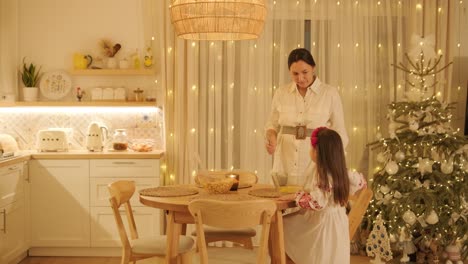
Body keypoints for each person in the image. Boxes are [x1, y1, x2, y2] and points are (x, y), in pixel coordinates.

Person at [280, 127, 366, 264]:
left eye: (312, 149)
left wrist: (296, 197)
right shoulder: (341, 171)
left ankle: (283, 259)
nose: (310, 152)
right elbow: (360, 182)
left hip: (322, 223)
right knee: (330, 256)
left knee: (282, 225)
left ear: (318, 152)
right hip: (338, 222)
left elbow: (318, 202)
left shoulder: (323, 175)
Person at [265, 48, 348, 185]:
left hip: (315, 163)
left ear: (313, 68)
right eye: (295, 73)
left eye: (305, 72)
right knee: (284, 202)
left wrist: (331, 164)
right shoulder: (281, 93)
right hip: (285, 161)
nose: (300, 78)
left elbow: (340, 133)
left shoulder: (330, 94)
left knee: (312, 201)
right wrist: (271, 136)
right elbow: (271, 124)